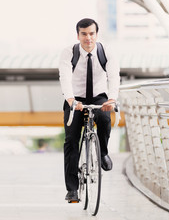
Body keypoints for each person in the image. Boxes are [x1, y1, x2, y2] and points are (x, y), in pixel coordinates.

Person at [58, 18, 120, 202]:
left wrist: (112, 99)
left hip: (99, 96)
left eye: (91, 34)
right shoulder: (69, 52)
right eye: (84, 34)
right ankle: (72, 190)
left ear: (96, 34)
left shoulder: (106, 51)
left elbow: (114, 76)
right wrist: (70, 99)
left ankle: (102, 153)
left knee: (104, 118)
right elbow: (65, 76)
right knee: (71, 140)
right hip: (74, 98)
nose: (88, 38)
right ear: (78, 35)